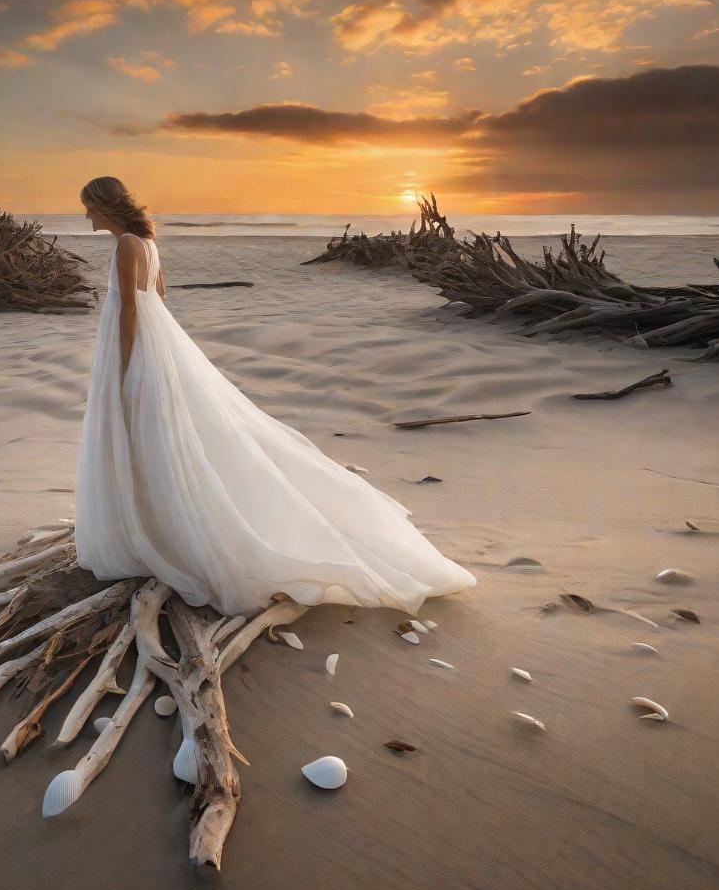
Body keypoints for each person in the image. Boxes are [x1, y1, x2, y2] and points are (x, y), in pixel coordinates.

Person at [74, 176, 477, 617]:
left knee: (145, 432)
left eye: (89, 207)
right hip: (158, 343)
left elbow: (132, 307)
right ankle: (157, 524)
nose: (86, 215)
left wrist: (126, 360)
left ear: (104, 205)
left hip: (137, 346)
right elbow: (161, 298)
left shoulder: (127, 245)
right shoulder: (146, 243)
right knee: (157, 433)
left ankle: (160, 529)